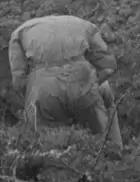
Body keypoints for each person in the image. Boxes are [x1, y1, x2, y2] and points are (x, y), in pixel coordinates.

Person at [8, 14, 123, 152]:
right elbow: (108, 67)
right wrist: (92, 84)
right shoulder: (86, 26)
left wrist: (32, 101)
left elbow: (19, 82)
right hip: (82, 86)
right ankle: (115, 153)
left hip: (44, 91)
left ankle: (52, 161)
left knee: (48, 145)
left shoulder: (19, 33)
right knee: (105, 101)